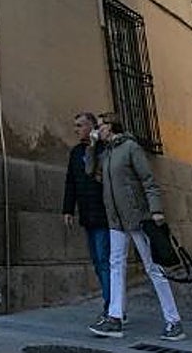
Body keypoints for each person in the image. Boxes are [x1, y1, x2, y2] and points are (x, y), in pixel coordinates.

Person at [88, 115, 185, 342]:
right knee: (115, 265)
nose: (97, 130)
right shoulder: (107, 153)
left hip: (137, 217)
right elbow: (91, 172)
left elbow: (148, 180)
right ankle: (114, 318)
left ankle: (174, 321)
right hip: (115, 219)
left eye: (99, 126)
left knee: (153, 268)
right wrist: (93, 146)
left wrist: (156, 210)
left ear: (110, 127)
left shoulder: (131, 148)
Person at [62, 112, 113, 322]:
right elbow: (71, 181)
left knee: (103, 260)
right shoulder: (75, 153)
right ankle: (111, 304)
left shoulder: (103, 148)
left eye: (80, 125)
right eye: (75, 126)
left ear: (91, 126)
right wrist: (67, 209)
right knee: (97, 260)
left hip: (103, 213)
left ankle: (112, 307)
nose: (76, 129)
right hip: (87, 213)